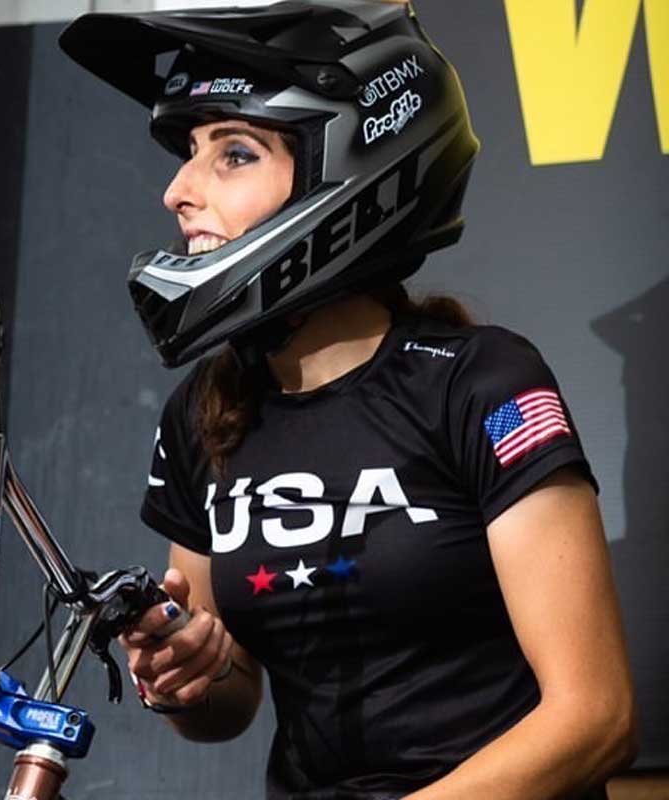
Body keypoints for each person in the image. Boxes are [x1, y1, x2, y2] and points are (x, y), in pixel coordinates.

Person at [59, 2, 637, 798]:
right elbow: (226, 704)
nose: (178, 191)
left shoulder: (480, 383)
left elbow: (595, 716)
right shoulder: (206, 411)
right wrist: (189, 670)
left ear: (346, 172)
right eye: (189, 154)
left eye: (233, 154)